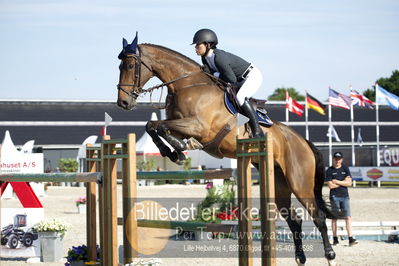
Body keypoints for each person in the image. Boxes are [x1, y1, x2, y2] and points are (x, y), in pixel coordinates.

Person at [191, 28, 272, 138]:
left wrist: (214, 74)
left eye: (198, 45)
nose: (196, 48)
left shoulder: (218, 57)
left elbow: (231, 78)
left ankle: (257, 131)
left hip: (251, 76)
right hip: (239, 80)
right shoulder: (205, 58)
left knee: (240, 97)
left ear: (208, 44)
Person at [325, 152, 358, 246]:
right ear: (333, 159)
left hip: (345, 196)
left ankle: (351, 238)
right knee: (334, 218)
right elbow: (330, 186)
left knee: (347, 217)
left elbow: (349, 183)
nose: (337, 160)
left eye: (339, 159)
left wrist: (337, 181)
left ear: (342, 159)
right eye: (336, 158)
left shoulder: (345, 168)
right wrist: (343, 182)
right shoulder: (329, 170)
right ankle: (335, 238)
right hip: (334, 197)